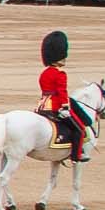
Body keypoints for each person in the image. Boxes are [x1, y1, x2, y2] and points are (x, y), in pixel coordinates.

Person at [38, 30, 89, 162]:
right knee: (79, 129)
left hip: (42, 105)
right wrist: (65, 107)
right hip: (56, 105)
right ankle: (76, 155)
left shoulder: (44, 73)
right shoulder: (60, 74)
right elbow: (62, 92)